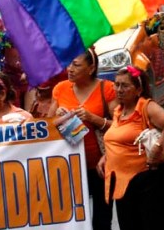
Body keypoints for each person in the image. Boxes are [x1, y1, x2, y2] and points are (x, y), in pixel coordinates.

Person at [50, 49, 118, 230]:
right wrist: (58, 117)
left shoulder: (107, 88)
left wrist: (93, 119)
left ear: (91, 68)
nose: (70, 69)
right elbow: (49, 127)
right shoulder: (60, 89)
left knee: (102, 219)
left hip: (101, 165)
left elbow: (120, 126)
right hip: (71, 166)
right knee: (75, 219)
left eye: (76, 65)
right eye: (69, 64)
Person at [101, 66, 164, 230]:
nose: (119, 90)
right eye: (116, 84)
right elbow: (119, 138)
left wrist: (159, 146)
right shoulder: (119, 110)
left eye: (125, 86)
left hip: (149, 181)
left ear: (138, 89)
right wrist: (106, 156)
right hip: (124, 183)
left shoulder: (147, 107)